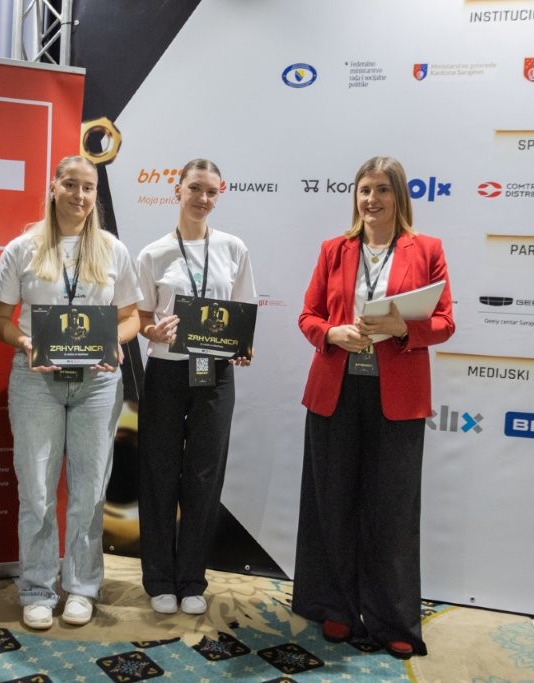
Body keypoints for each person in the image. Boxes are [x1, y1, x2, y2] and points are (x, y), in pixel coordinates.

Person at [293, 156, 454, 659]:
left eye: (383, 190)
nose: (372, 199)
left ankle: (392, 619)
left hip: (398, 398)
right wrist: (332, 333)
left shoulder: (427, 249)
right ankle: (336, 607)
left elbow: (445, 322)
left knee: (392, 511)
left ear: (398, 196)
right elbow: (308, 315)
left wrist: (405, 327)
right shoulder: (334, 249)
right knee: (333, 501)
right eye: (365, 190)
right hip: (335, 392)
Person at [0, 155, 141, 630]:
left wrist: (115, 343)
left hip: (98, 384)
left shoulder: (112, 250)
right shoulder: (23, 248)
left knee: (89, 493)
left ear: (96, 195)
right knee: (36, 490)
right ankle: (37, 587)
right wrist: (26, 342)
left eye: (88, 187)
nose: (79, 194)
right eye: (70, 184)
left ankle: (81, 587)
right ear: (53, 187)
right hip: (37, 381)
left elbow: (131, 317)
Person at [135, 158, 256, 616]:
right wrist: (152, 331)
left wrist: (243, 345)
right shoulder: (154, 253)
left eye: (211, 192)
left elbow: (242, 309)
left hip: (215, 374)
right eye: (195, 189)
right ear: (178, 190)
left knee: (205, 476)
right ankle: (159, 579)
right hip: (166, 371)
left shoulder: (233, 248)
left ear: (218, 196)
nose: (202, 199)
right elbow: (141, 316)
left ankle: (191, 580)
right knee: (159, 473)